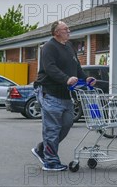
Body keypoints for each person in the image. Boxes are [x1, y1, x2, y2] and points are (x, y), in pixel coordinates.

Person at [31, 21, 96, 171]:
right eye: (65, 29)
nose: (69, 30)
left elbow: (76, 67)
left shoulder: (69, 47)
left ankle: (43, 149)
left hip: (66, 94)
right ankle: (51, 162)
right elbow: (50, 68)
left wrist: (86, 79)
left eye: (68, 28)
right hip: (50, 92)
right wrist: (66, 78)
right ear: (56, 32)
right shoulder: (49, 47)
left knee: (66, 124)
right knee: (52, 128)